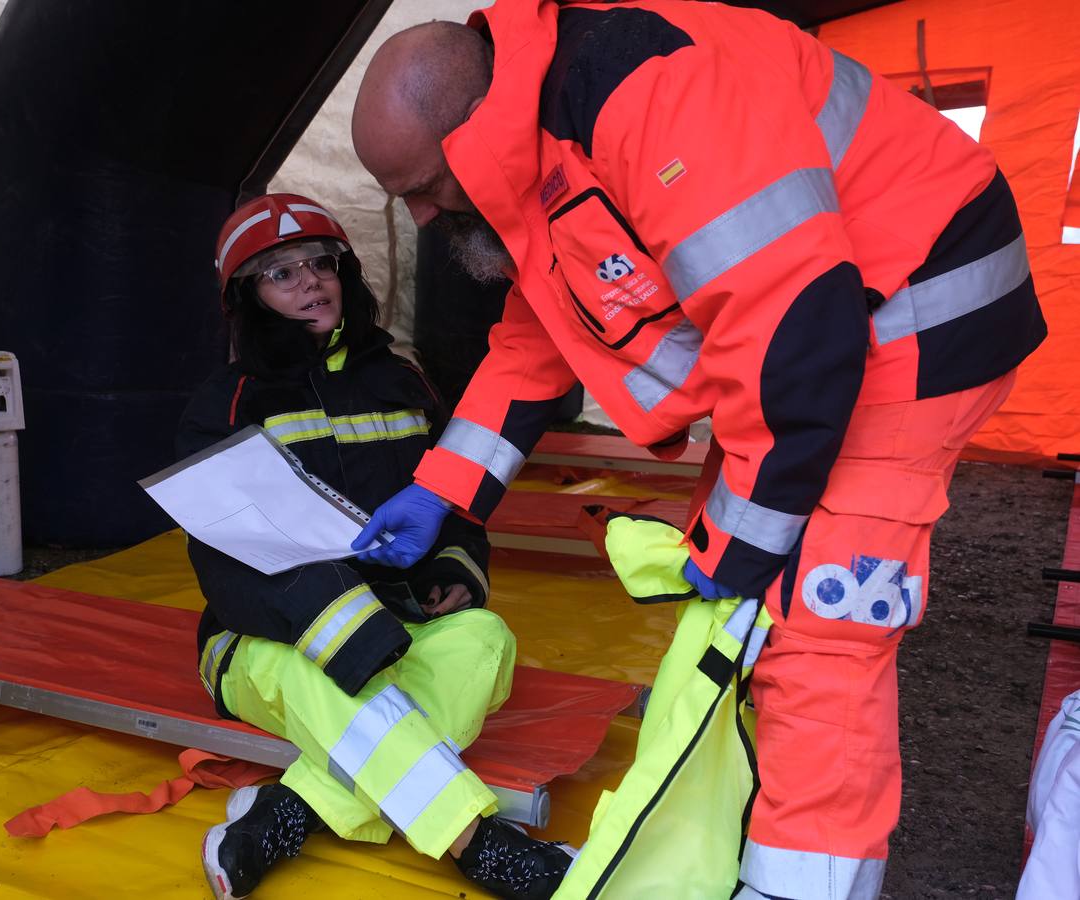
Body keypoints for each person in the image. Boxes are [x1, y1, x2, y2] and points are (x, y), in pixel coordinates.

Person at [349, 4, 1047, 899]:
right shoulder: (542, 138)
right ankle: (750, 832)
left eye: (425, 183)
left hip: (916, 317)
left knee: (816, 625)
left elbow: (788, 326)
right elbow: (538, 337)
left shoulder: (651, 93)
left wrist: (749, 542)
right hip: (829, 333)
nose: (419, 212)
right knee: (751, 588)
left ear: (473, 124)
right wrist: (441, 490)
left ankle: (803, 885)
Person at [176, 192, 575, 900]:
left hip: (398, 624)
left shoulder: (403, 380)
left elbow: (447, 500)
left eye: (321, 263)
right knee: (332, 677)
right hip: (265, 641)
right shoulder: (227, 404)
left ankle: (287, 813)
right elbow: (229, 560)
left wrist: (455, 568)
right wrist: (341, 624)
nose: (310, 282)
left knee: (483, 638)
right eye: (281, 273)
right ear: (246, 298)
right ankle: (482, 848)